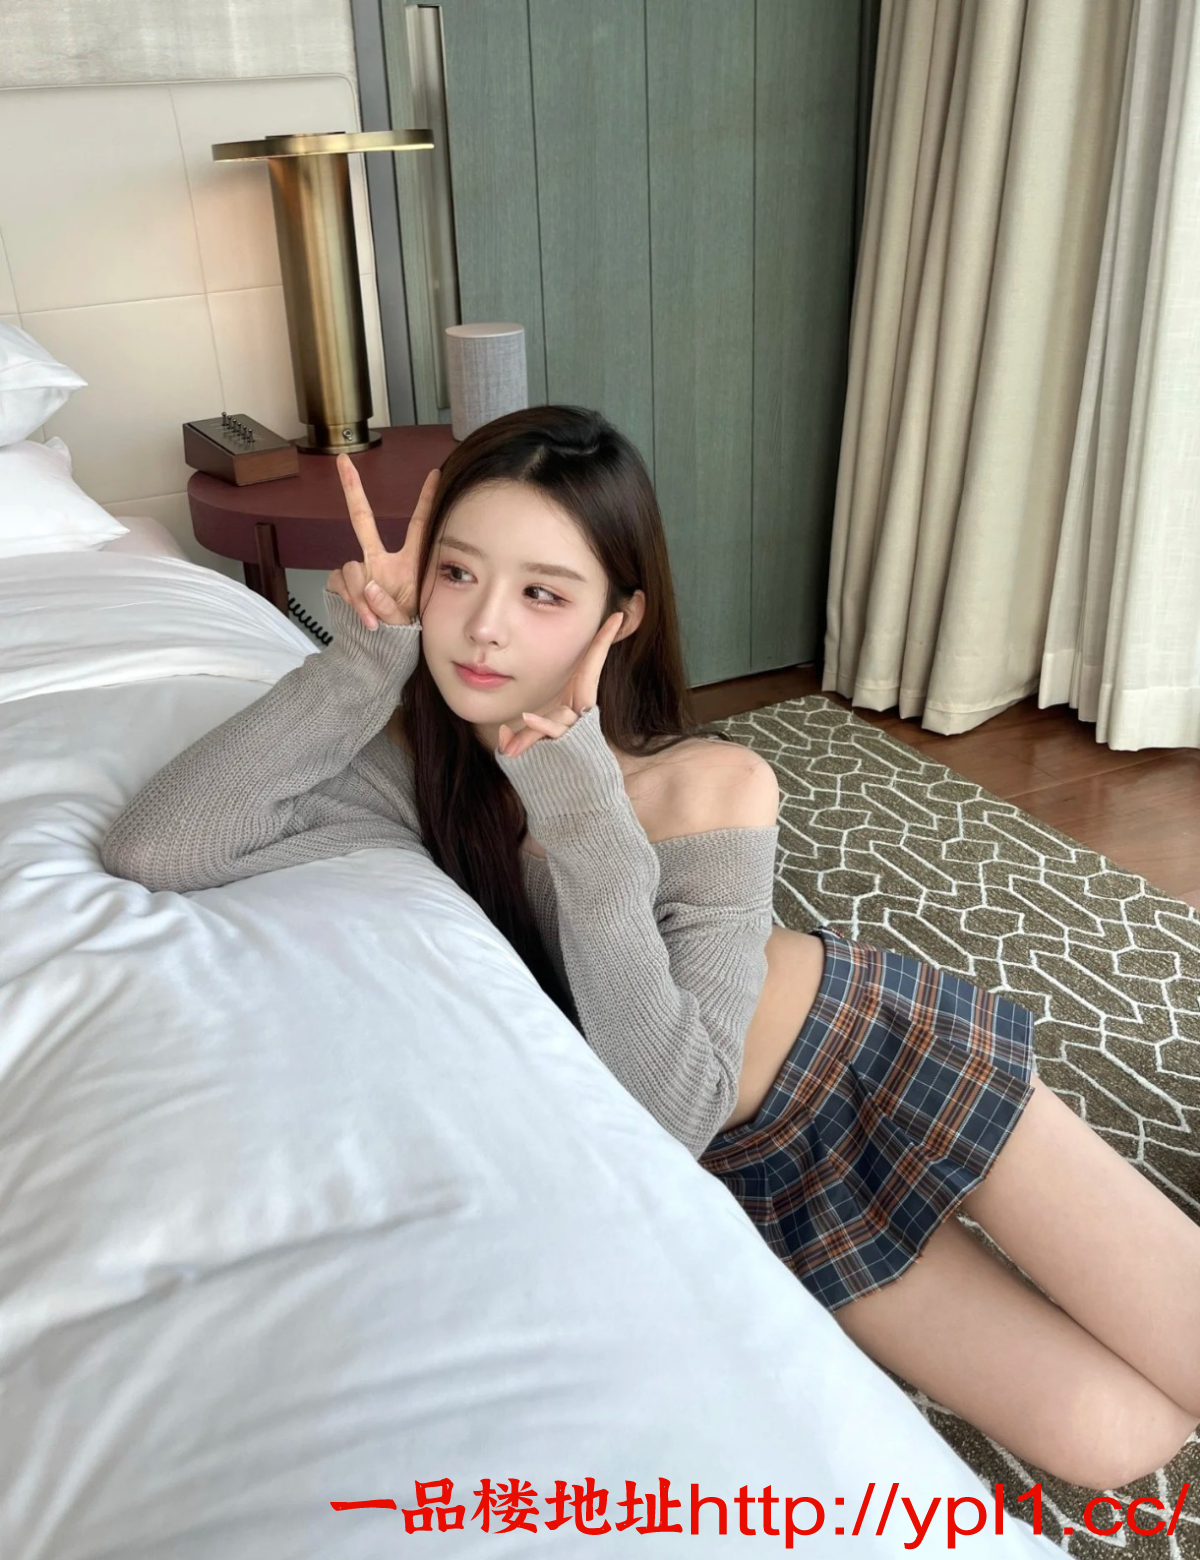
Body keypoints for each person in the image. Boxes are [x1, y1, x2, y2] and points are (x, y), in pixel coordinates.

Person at [102, 405, 1200, 1490]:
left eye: (543, 594)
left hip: (869, 1053)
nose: (483, 629)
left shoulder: (710, 785)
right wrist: (369, 655)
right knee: (1119, 1439)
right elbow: (160, 846)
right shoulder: (415, 766)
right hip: (750, 1163)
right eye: (456, 574)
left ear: (617, 618)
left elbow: (677, 1097)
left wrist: (583, 811)